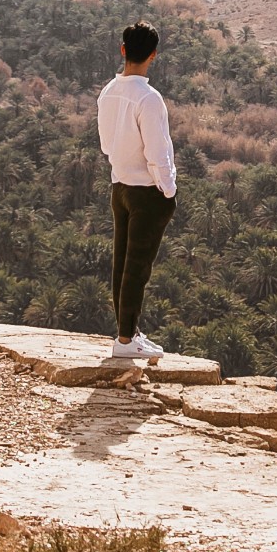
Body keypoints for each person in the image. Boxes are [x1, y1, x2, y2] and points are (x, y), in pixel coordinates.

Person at [97, 21, 177, 359]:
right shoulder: (149, 98)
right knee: (138, 267)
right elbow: (158, 152)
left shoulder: (109, 92)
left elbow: (105, 144)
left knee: (122, 263)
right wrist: (169, 191)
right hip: (147, 191)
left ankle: (128, 334)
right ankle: (126, 342)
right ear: (154, 55)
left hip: (120, 187)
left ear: (123, 49)